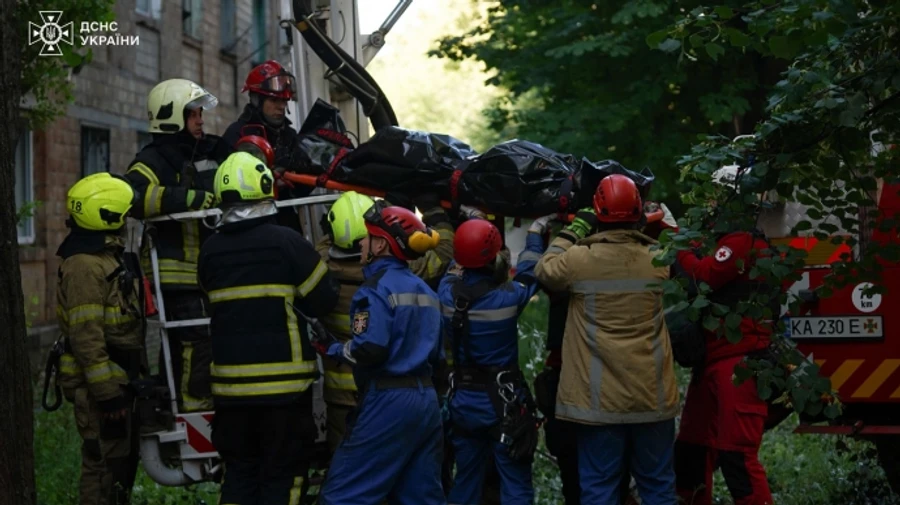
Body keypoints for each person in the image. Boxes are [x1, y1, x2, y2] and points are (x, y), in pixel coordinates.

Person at [197, 151, 340, 504]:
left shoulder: (210, 251)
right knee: (283, 475)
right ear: (265, 188)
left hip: (231, 392)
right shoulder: (288, 242)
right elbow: (324, 299)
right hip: (285, 392)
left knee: (240, 475)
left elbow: (207, 301)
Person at [535, 174, 679, 505]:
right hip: (651, 398)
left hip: (598, 404)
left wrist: (574, 229)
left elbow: (544, 270)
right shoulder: (658, 257)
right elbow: (685, 255)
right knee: (658, 486)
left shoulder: (579, 261)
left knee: (599, 488)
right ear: (638, 211)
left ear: (597, 211)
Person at [310, 200, 445, 505]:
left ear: (381, 246)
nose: (361, 242)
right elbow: (438, 358)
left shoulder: (374, 290)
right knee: (421, 497)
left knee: (342, 496)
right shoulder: (425, 291)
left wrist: (332, 348)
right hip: (426, 402)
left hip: (388, 401)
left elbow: (370, 348)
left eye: (367, 236)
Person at [673, 165, 777, 505]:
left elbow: (703, 275)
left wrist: (677, 246)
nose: (712, 202)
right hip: (715, 362)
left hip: (740, 364)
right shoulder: (725, 240)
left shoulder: (743, 242)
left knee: (737, 460)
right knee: (690, 453)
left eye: (717, 194)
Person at [125, 78, 230, 413]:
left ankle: (185, 403)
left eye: (200, 112)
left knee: (201, 343)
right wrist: (192, 199)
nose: (201, 120)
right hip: (177, 276)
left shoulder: (208, 151)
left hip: (209, 273)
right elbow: (135, 197)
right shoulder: (152, 160)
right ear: (171, 117)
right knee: (194, 341)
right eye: (193, 113)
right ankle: (190, 410)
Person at [438, 216, 551, 505]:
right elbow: (529, 270)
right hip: (503, 405)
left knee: (466, 480)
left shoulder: (446, 295)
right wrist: (535, 234)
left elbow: (453, 271)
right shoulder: (508, 297)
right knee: (515, 483)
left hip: (464, 405)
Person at [55, 172, 145, 505]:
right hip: (101, 392)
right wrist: (108, 397)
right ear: (107, 214)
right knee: (102, 470)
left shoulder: (104, 257)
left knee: (118, 470)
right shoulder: (85, 266)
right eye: (122, 214)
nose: (125, 221)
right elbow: (86, 338)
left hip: (118, 381)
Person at [222, 60, 307, 230]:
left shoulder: (290, 135)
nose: (281, 107)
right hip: (248, 223)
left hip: (286, 222)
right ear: (256, 99)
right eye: (274, 101)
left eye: (284, 101)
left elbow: (304, 188)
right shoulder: (236, 134)